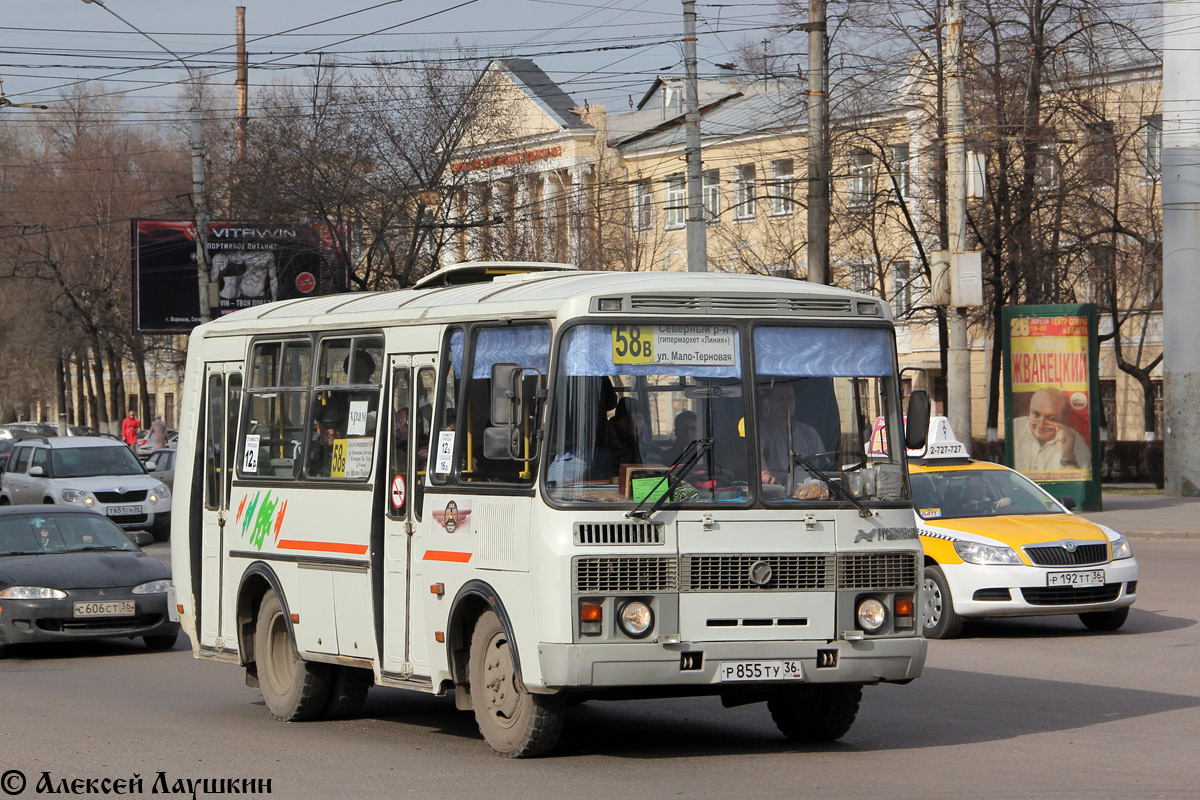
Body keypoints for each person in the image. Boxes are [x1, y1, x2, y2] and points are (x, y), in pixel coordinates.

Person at [758, 382, 826, 493]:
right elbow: (756, 452)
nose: (787, 404)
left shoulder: (809, 433)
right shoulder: (763, 430)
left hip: (809, 494)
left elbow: (823, 465)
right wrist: (764, 473)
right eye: (780, 399)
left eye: (790, 398)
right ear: (768, 402)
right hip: (776, 495)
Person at [1013, 387, 1091, 477]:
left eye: (1051, 418)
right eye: (1036, 414)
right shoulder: (1014, 429)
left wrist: (1068, 458)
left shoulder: (1076, 442)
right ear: (1028, 412)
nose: (1041, 424)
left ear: (1064, 419)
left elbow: (1082, 487)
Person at [607, 397, 662, 467]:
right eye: (629, 419)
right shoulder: (607, 446)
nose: (635, 424)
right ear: (618, 422)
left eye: (639, 419)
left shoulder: (650, 446)